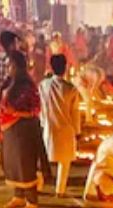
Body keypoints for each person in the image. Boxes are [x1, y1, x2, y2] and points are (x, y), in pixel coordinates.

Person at [0, 51, 43, 208]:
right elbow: (3, 103)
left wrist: (16, 113)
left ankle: (32, 200)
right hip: (9, 129)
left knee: (25, 165)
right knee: (13, 164)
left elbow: (36, 109)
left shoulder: (27, 85)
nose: (7, 67)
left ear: (16, 66)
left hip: (22, 130)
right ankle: (19, 196)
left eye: (9, 64)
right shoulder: (10, 82)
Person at [38, 54, 81, 198]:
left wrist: (43, 122)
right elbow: (75, 112)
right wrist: (77, 130)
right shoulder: (71, 88)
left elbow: (42, 106)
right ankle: (60, 191)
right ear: (65, 67)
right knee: (65, 162)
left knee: (43, 160)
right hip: (66, 128)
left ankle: (38, 186)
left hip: (49, 127)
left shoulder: (44, 85)